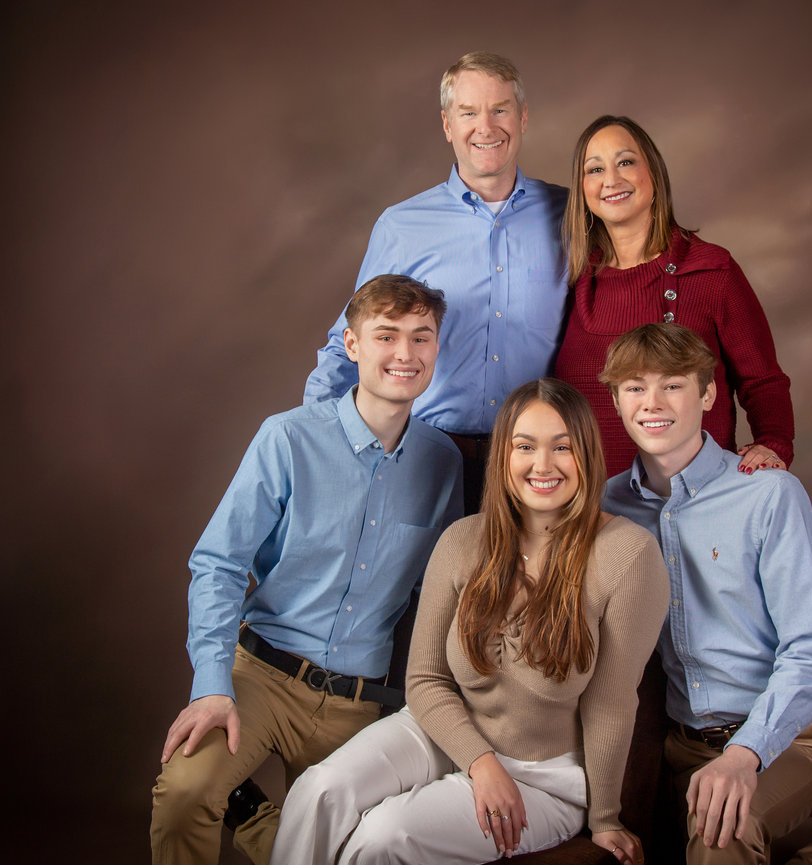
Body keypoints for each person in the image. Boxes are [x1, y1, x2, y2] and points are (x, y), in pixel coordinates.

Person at [269, 379, 670, 865]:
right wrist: (481, 764)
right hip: (443, 733)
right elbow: (426, 680)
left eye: (562, 447)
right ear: (504, 456)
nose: (543, 465)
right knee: (319, 790)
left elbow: (611, 703)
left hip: (543, 776)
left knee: (384, 837)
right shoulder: (463, 541)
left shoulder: (628, 554)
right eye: (525, 446)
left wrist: (606, 818)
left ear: (587, 453)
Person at [150, 275, 464, 865]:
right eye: (386, 335)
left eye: (421, 338)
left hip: (360, 700)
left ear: (437, 350)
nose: (405, 354)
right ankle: (246, 808)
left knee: (353, 852)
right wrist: (213, 685)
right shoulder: (288, 437)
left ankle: (256, 818)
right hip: (260, 677)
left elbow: (433, 597)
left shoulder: (442, 464)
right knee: (185, 794)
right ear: (351, 345)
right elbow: (218, 563)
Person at [601, 323, 812, 865]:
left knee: (721, 838)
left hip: (790, 738)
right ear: (616, 400)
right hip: (679, 745)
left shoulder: (768, 493)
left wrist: (743, 754)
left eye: (673, 385)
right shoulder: (609, 507)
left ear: (708, 394)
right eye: (635, 387)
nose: (652, 403)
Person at [304, 51, 568, 512]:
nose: (485, 127)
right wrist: (315, 439)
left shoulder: (570, 216)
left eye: (500, 109)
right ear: (448, 125)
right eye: (468, 112)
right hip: (427, 457)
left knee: (537, 585)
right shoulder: (403, 226)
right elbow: (350, 345)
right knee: (429, 585)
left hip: (538, 461)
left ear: (523, 118)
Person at [555, 115, 794, 478]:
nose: (611, 180)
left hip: (692, 503)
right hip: (592, 510)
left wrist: (774, 444)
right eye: (594, 169)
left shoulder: (711, 271)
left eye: (625, 162)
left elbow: (762, 381)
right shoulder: (572, 280)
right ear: (582, 188)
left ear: (653, 172)